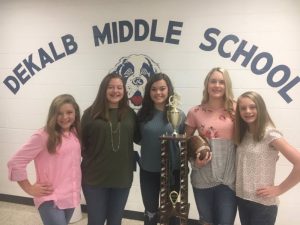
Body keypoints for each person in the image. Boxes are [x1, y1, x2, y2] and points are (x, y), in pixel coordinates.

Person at [7, 94, 82, 225]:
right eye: (59, 113)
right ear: (53, 115)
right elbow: (15, 162)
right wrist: (29, 188)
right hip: (51, 199)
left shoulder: (75, 133)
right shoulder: (43, 136)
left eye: (69, 112)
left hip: (71, 196)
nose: (65, 117)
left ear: (75, 112)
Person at [81, 73, 140, 225]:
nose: (115, 91)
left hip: (122, 179)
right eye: (111, 87)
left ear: (124, 91)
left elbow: (139, 138)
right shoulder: (90, 113)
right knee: (96, 221)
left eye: (119, 87)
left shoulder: (130, 114)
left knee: (115, 221)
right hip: (94, 179)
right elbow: (80, 144)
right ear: (103, 90)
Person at [234, 91, 300, 225]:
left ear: (261, 108)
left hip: (262, 204)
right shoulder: (243, 134)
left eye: (253, 107)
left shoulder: (270, 133)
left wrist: (280, 189)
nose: (248, 111)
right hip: (242, 199)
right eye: (243, 108)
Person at [185, 67, 237, 225]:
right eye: (213, 81)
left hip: (229, 180)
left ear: (227, 85)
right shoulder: (195, 111)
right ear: (207, 84)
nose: (217, 85)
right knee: (206, 221)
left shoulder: (237, 109)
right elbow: (185, 144)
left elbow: (251, 135)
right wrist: (194, 163)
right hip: (202, 177)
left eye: (221, 82)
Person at [137, 73, 186, 225]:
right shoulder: (142, 115)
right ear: (148, 92)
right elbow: (138, 139)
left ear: (169, 90)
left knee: (171, 213)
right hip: (148, 171)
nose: (158, 93)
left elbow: (184, 141)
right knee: (150, 212)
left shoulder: (179, 115)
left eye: (162, 88)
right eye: (154, 89)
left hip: (172, 172)